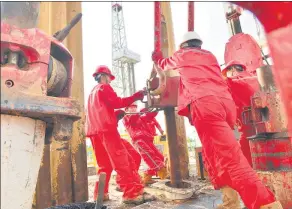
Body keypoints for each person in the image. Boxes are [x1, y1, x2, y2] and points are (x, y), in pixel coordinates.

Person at [151, 31, 282, 209]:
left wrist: (157, 58)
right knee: (215, 156)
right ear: (199, 43)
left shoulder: (182, 55)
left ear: (183, 46)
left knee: (232, 160)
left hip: (205, 107)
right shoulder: (210, 56)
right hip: (225, 107)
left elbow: (165, 64)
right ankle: (230, 202)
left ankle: (265, 204)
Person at [85, 65, 155, 204]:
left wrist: (116, 116)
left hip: (94, 133)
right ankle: (132, 193)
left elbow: (100, 113)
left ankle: (101, 195)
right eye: (109, 78)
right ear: (103, 76)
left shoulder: (92, 94)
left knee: (104, 166)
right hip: (107, 131)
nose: (110, 81)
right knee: (123, 161)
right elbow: (117, 102)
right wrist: (136, 96)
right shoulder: (104, 87)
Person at [221, 60, 260, 166]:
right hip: (263, 123)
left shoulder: (235, 80)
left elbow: (223, 82)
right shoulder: (254, 77)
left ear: (232, 69)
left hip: (249, 124)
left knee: (243, 155)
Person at [123, 103, 168, 185]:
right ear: (126, 110)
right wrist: (141, 111)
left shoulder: (139, 117)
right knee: (149, 154)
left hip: (147, 139)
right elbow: (132, 119)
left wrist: (154, 108)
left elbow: (149, 116)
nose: (134, 109)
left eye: (135, 107)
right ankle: (160, 168)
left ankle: (147, 176)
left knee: (159, 156)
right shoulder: (126, 117)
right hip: (138, 140)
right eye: (132, 108)